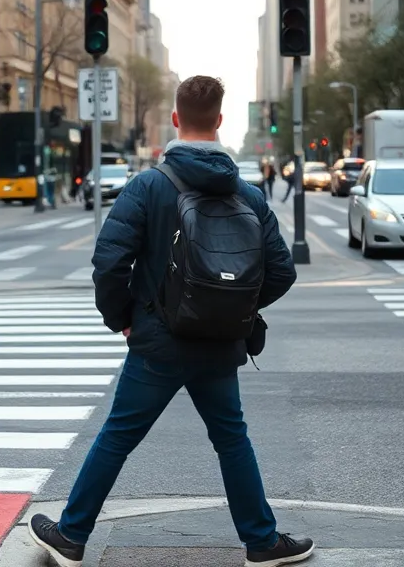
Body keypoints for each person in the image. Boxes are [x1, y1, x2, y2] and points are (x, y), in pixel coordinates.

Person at [27, 76, 312, 567]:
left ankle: (71, 535)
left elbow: (109, 262)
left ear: (177, 119)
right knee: (231, 439)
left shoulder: (148, 186)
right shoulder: (248, 194)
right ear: (221, 122)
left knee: (118, 436)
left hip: (158, 341)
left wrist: (124, 319)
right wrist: (233, 311)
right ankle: (262, 542)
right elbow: (282, 271)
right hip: (220, 343)